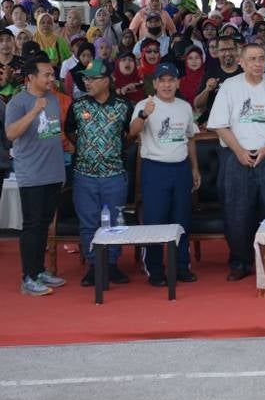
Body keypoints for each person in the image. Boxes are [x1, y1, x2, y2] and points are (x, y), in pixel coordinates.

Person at [206, 43, 265, 281]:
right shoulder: (229, 87)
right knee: (237, 212)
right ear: (242, 62)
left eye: (261, 58)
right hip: (237, 157)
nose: (258, 63)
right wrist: (239, 151)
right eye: (253, 59)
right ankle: (240, 262)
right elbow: (219, 124)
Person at [128, 63, 200, 286]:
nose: (167, 85)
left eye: (171, 80)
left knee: (182, 219)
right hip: (155, 168)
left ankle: (181, 266)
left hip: (180, 169)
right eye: (163, 80)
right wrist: (143, 114)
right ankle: (155, 268)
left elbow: (190, 138)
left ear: (178, 83)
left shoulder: (184, 106)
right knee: (155, 220)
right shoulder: (145, 104)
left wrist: (194, 167)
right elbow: (132, 132)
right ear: (155, 83)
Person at [65, 59, 133, 287]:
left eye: (92, 78)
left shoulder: (124, 106)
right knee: (88, 223)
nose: (87, 82)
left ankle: (112, 264)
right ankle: (94, 266)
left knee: (114, 222)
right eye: (85, 78)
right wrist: (90, 150)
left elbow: (129, 135)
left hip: (114, 175)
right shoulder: (78, 105)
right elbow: (71, 132)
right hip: (85, 175)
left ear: (107, 80)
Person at [5, 57, 67, 296]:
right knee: (31, 226)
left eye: (53, 74)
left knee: (44, 224)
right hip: (31, 174)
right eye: (47, 75)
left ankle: (40, 270)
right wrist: (33, 112)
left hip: (53, 172)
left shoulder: (52, 99)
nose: (52, 78)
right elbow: (11, 133)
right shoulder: (18, 102)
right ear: (31, 77)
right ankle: (28, 277)